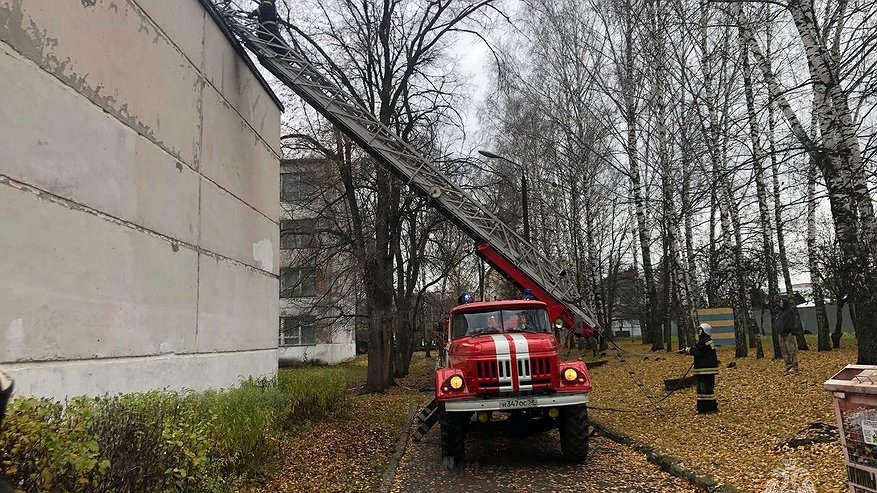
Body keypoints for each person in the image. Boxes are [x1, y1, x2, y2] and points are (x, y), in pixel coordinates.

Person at [679, 323, 719, 414]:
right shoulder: (708, 341)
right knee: (703, 390)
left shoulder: (705, 341)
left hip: (705, 371)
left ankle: (708, 408)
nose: (699, 332)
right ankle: (705, 407)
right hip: (706, 370)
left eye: (700, 330)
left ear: (704, 331)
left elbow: (697, 351)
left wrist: (686, 350)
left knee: (705, 390)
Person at [776, 297, 800, 374]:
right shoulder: (780, 313)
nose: (780, 304)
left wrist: (790, 331)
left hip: (789, 334)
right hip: (781, 333)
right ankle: (788, 365)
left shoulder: (790, 312)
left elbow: (793, 322)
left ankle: (794, 367)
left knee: (792, 350)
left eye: (781, 302)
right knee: (784, 351)